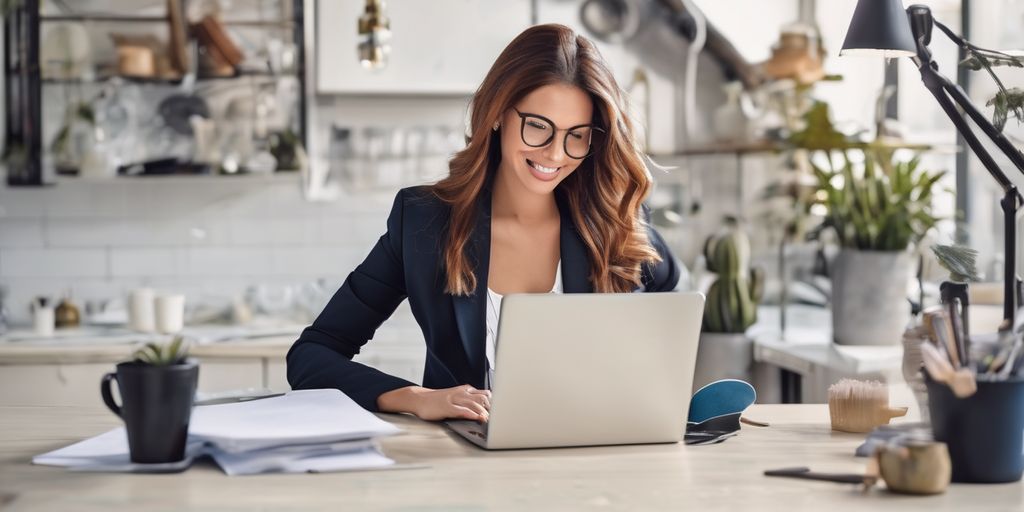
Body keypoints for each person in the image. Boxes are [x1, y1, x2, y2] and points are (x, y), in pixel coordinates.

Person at [287, 23, 682, 423]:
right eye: (538, 127)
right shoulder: (424, 222)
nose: (556, 154)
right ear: (497, 114)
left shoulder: (617, 223)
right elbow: (312, 355)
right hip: (470, 467)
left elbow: (671, 323)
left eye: (576, 135)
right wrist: (417, 397)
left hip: (600, 457)